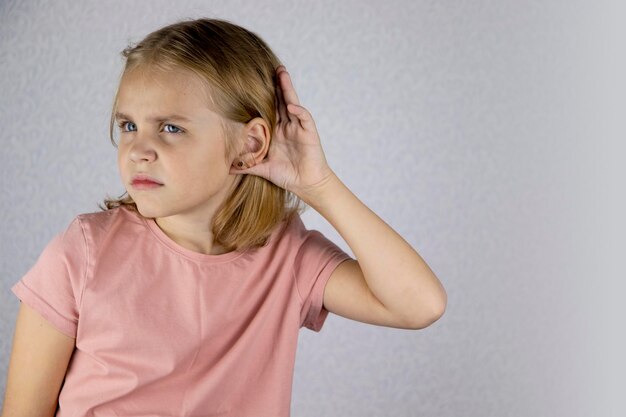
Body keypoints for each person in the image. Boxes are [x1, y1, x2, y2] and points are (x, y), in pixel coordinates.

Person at [1, 18, 447, 417]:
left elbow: (419, 305)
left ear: (250, 145)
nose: (137, 149)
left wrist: (319, 185)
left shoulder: (287, 257)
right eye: (128, 125)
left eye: (171, 128)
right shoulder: (82, 253)